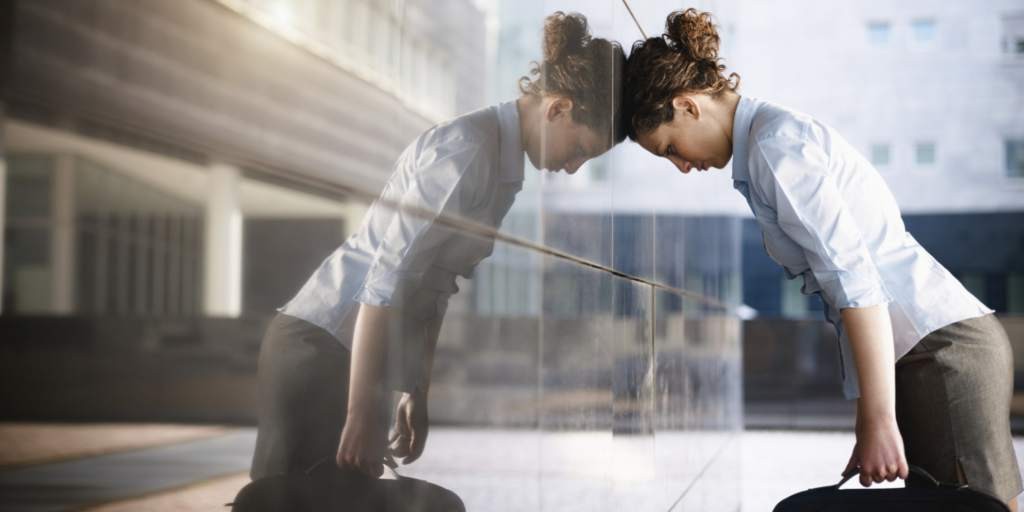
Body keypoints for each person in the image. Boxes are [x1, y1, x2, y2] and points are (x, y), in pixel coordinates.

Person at [622, 8, 1021, 509]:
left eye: (670, 147)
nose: (682, 166)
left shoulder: (775, 147)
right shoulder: (768, 144)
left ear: (687, 105)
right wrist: (870, 416)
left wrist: (878, 418)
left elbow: (854, 281)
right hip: (928, 352)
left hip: (940, 352)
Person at [250, 11, 626, 482]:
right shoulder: (468, 150)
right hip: (319, 349)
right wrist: (363, 408)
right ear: (558, 109)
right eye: (580, 150)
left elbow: (435, 286)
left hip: (358, 361)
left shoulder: (504, 169)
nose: (573, 167)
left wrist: (414, 390)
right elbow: (387, 278)